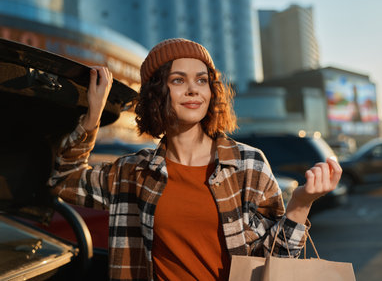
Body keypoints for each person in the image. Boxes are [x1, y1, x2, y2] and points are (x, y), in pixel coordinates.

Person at [49, 38, 342, 281]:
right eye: (178, 80)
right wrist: (93, 116)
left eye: (201, 80)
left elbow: (276, 262)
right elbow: (63, 180)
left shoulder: (248, 165)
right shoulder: (133, 172)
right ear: (156, 93)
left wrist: (301, 203)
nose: (193, 89)